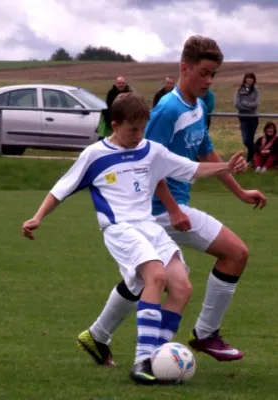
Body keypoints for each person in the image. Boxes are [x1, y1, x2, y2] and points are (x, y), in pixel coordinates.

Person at [22, 92, 248, 385]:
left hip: (148, 227)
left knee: (181, 287)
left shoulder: (151, 150)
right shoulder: (94, 155)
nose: (138, 136)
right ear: (114, 125)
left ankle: (156, 358)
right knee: (155, 275)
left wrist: (226, 166)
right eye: (132, 130)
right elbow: (60, 189)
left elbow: (191, 168)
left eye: (142, 129)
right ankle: (143, 361)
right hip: (120, 228)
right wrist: (38, 217)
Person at [77, 35, 267, 367]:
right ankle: (201, 335)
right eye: (203, 73)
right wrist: (174, 209)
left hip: (171, 209)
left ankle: (100, 336)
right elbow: (147, 161)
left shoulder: (199, 104)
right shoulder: (167, 110)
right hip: (155, 212)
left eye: (213, 75)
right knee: (232, 254)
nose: (208, 81)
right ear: (184, 68)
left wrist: (240, 192)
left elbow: (206, 151)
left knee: (143, 279)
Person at [235, 72, 260, 163]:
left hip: (253, 118)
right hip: (243, 118)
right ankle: (257, 150)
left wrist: (245, 103)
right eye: (248, 78)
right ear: (245, 79)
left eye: (251, 78)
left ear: (254, 80)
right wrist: (249, 106)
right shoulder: (239, 90)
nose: (249, 80)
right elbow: (237, 104)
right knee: (246, 140)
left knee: (250, 138)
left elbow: (256, 104)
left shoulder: (256, 91)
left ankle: (250, 160)